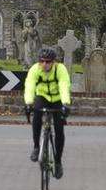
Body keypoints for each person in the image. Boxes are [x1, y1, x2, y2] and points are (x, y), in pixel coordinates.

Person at [23, 47, 71, 179]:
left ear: (53, 62)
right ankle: (37, 146)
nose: (45, 64)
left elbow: (64, 85)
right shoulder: (35, 69)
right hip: (42, 97)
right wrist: (28, 103)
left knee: (59, 130)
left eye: (48, 62)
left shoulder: (60, 69)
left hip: (57, 99)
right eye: (42, 61)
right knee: (37, 115)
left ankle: (58, 162)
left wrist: (65, 104)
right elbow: (30, 86)